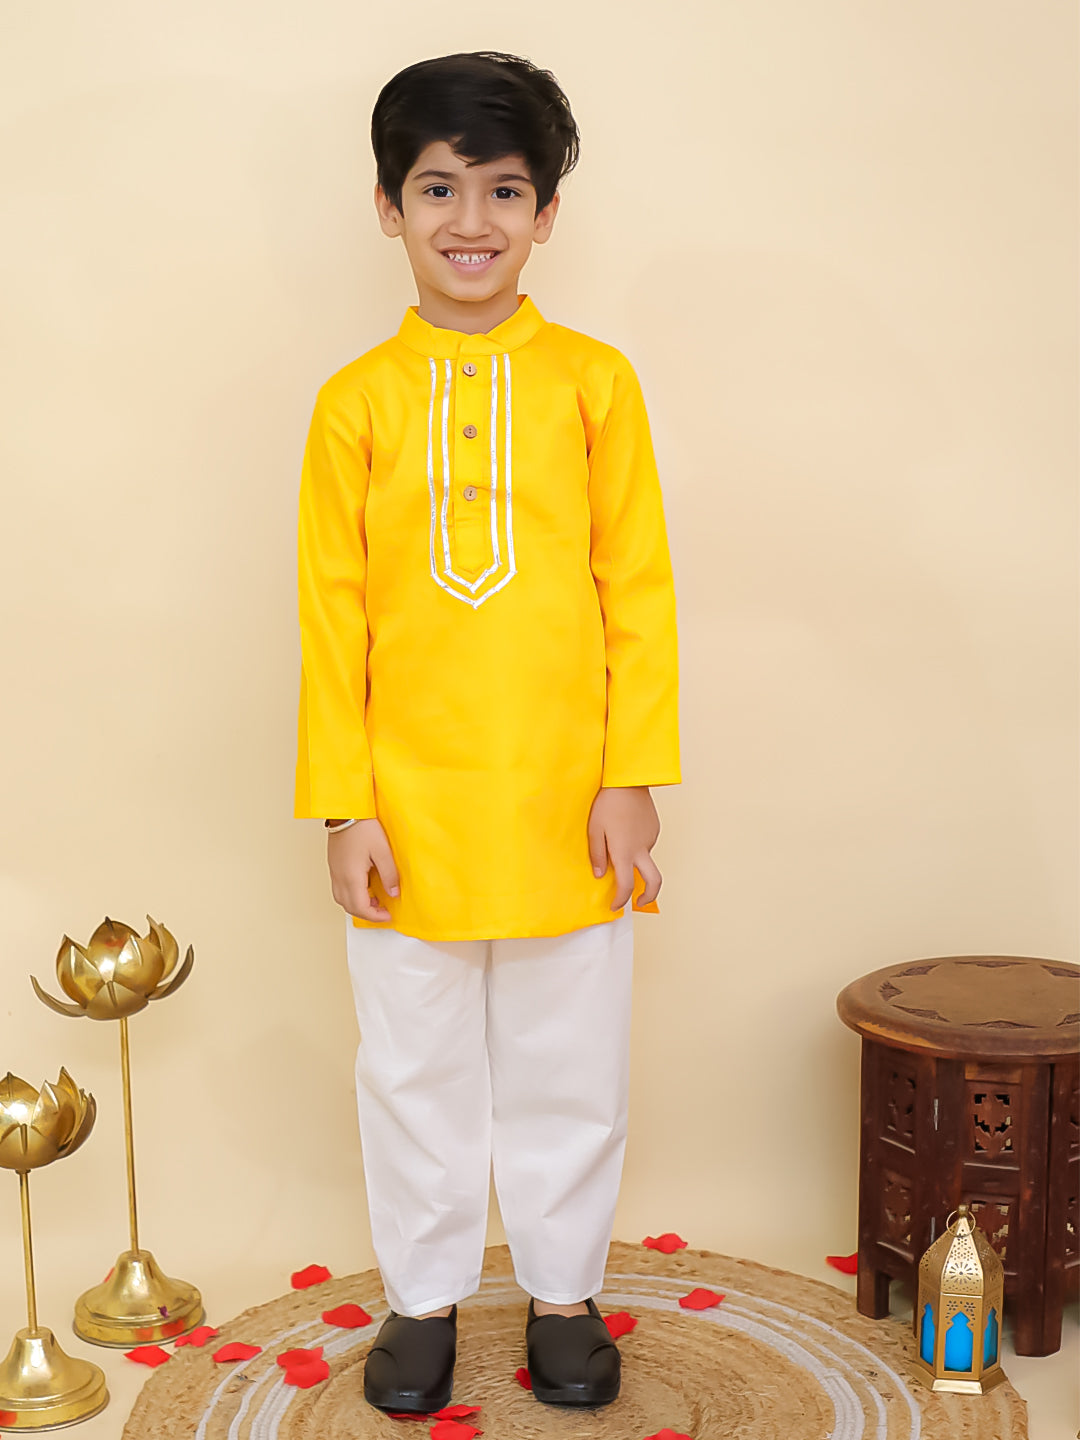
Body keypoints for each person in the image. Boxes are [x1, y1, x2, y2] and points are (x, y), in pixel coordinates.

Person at [294, 49, 680, 1415]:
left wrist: (632, 777)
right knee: (413, 1071)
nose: (472, 220)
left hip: (570, 804)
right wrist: (346, 805)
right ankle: (423, 1300)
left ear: (548, 212)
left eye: (506, 189)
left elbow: (638, 591)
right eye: (438, 187)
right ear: (387, 207)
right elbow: (331, 621)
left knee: (573, 1065)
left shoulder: (594, 385)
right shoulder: (354, 404)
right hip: (408, 813)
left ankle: (565, 1295)